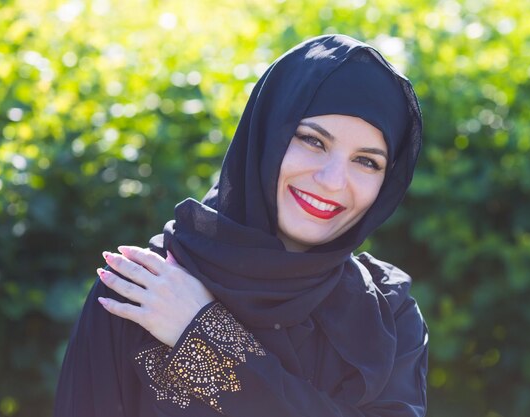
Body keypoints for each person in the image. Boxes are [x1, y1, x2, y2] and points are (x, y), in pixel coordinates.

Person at [54, 34, 427, 417]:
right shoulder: (144, 286)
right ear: (266, 134)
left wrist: (208, 342)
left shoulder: (388, 315)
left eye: (367, 162)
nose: (333, 180)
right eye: (313, 141)